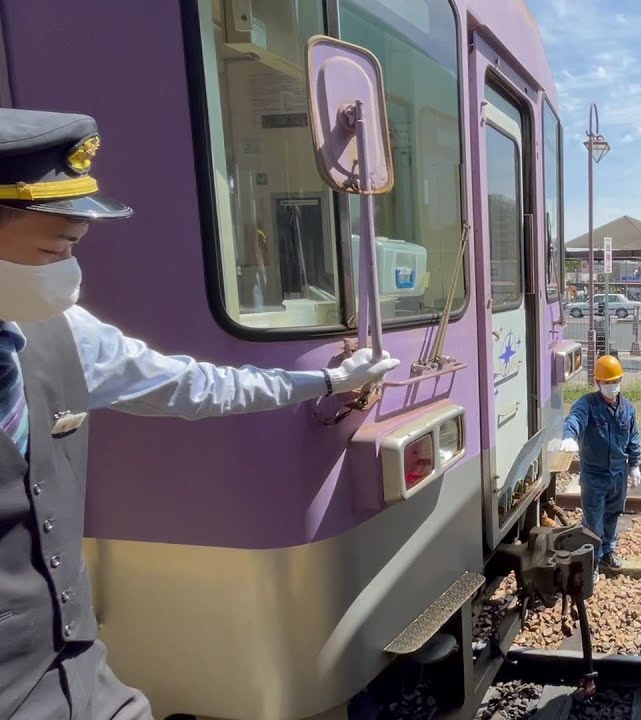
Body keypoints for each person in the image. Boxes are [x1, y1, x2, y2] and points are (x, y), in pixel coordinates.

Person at [0, 108, 399, 719]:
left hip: (75, 664)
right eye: (55, 243)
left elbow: (191, 387)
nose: (71, 261)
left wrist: (321, 380)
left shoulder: (62, 332)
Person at [557, 355, 641, 573]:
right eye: (607, 382)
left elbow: (633, 438)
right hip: (594, 474)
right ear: (598, 383)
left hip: (618, 473)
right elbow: (575, 419)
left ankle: (608, 551)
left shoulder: (628, 409)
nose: (611, 386)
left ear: (621, 380)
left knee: (612, 515)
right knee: (593, 520)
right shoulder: (587, 404)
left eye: (615, 381)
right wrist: (569, 436)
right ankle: (591, 560)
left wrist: (635, 465)